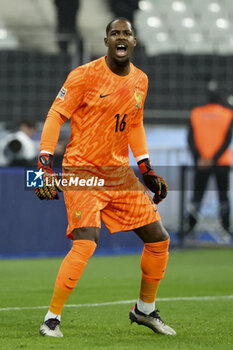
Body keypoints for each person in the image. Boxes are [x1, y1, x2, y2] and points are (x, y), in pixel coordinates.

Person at [35, 18, 176, 337]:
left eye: (126, 33)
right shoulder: (84, 75)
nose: (121, 37)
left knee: (159, 238)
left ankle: (145, 310)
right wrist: (45, 163)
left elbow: (135, 122)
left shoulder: (141, 80)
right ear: (106, 41)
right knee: (87, 239)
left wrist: (145, 167)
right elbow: (56, 114)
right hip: (81, 170)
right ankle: (51, 319)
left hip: (117, 173)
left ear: (134, 42)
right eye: (115, 33)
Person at [187, 86, 233, 236]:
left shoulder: (196, 113)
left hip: (201, 162)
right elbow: (227, 140)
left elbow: (190, 139)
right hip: (221, 163)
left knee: (197, 195)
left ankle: (190, 229)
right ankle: (226, 228)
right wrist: (213, 159)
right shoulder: (227, 114)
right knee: (223, 196)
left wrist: (199, 158)